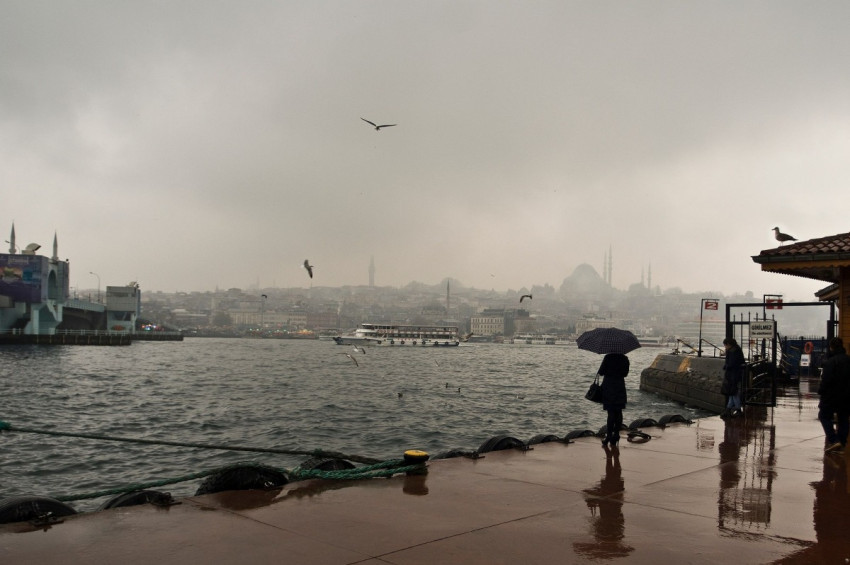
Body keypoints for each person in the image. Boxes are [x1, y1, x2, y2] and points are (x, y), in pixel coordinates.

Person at [818, 337, 850, 452]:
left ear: (831, 347)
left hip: (831, 396)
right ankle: (841, 442)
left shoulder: (830, 362)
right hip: (847, 395)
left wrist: (821, 391)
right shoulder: (848, 360)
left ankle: (834, 440)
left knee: (823, 416)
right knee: (844, 418)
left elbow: (825, 380)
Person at [598, 352, 629, 447]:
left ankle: (608, 437)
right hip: (619, 387)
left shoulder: (608, 357)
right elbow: (625, 373)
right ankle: (616, 435)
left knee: (610, 413)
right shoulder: (625, 358)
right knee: (618, 412)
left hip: (609, 387)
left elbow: (601, 372)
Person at [721, 337, 745, 418]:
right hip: (735, 374)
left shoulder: (733, 351)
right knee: (732, 392)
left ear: (728, 344)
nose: (725, 347)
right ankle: (728, 409)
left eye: (725, 345)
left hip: (733, 374)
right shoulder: (736, 349)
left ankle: (738, 409)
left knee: (733, 392)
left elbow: (732, 363)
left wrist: (726, 366)